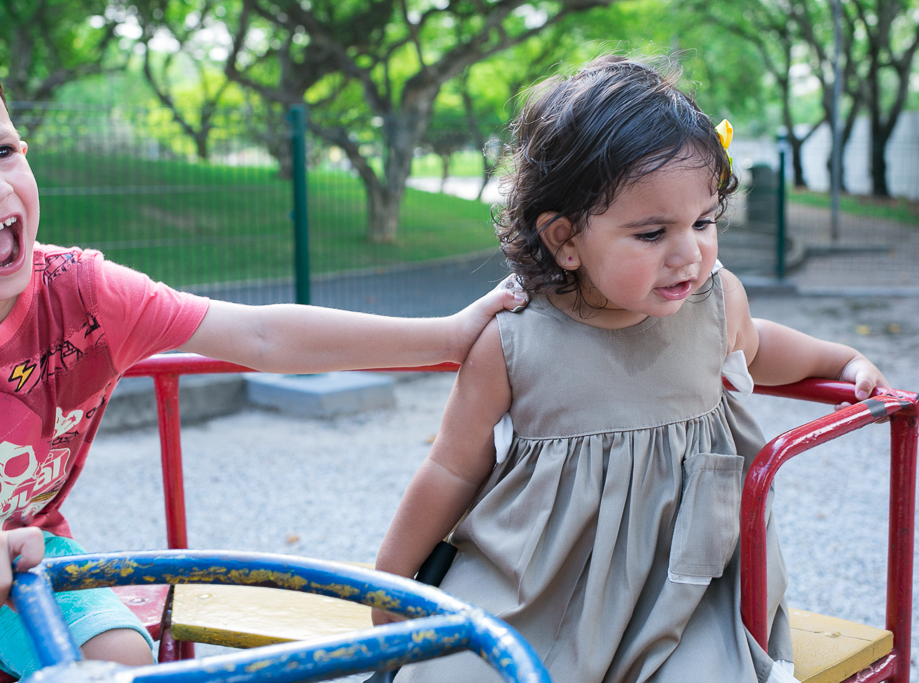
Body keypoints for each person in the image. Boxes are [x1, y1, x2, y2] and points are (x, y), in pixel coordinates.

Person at [0, 26, 527, 682]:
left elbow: (260, 335)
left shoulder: (84, 293)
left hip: (17, 547)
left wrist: (446, 336)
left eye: (4, 150)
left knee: (121, 652)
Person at [373, 56, 888, 683]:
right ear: (565, 239)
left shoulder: (716, 303)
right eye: (652, 233)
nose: (689, 253)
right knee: (459, 674)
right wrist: (391, 585)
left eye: (703, 222)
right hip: (535, 585)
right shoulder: (512, 340)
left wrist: (842, 358)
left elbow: (764, 348)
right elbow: (451, 467)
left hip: (687, 586)